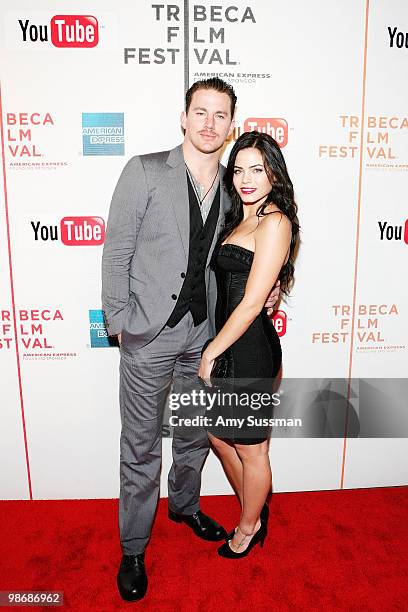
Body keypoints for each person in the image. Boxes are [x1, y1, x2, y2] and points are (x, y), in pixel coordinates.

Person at [102, 79, 280, 601]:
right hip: (146, 337)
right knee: (139, 448)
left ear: (230, 125)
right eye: (200, 112)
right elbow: (116, 252)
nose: (209, 123)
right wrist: (119, 323)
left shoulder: (235, 186)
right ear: (184, 117)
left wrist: (269, 293)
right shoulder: (144, 170)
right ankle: (133, 547)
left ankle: (183, 506)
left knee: (193, 436)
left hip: (202, 339)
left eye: (220, 115)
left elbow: (253, 251)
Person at [199, 131, 300, 558]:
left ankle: (246, 529)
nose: (246, 178)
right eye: (239, 169)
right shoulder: (239, 217)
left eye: (257, 169)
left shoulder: (275, 221)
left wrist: (211, 351)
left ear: (274, 174)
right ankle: (255, 510)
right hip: (230, 342)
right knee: (220, 438)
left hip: (249, 348)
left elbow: (254, 301)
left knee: (251, 446)